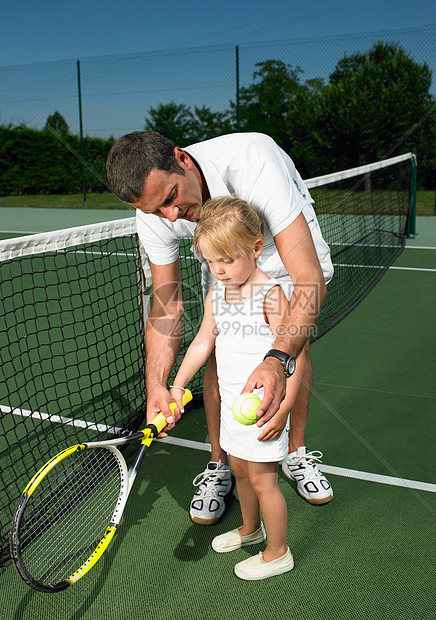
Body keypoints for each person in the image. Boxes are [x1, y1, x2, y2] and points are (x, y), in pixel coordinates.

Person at [106, 131, 334, 525]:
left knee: (296, 345)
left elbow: (308, 280)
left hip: (282, 244)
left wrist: (278, 359)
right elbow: (166, 307)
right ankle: (219, 463)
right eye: (156, 211)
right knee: (218, 351)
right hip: (222, 253)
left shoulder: (253, 161)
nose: (171, 217)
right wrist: (158, 386)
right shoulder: (155, 213)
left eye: (171, 197)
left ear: (182, 159)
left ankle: (294, 452)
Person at [169, 196, 299, 580]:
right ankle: (250, 529)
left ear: (256, 248)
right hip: (231, 408)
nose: (218, 270)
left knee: (263, 480)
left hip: (264, 411)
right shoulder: (217, 293)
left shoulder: (271, 295)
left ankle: (278, 552)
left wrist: (285, 407)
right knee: (240, 472)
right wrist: (177, 385)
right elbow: (202, 343)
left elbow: (296, 357)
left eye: (226, 260)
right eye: (210, 262)